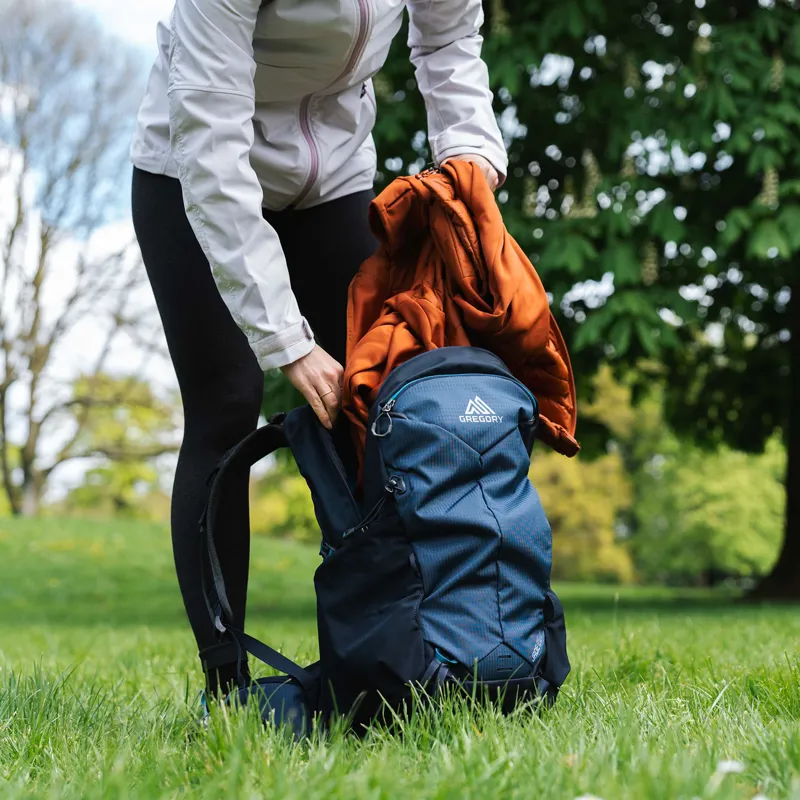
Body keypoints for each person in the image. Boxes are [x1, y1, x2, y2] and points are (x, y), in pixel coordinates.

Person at [130, 0, 508, 699]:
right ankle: (226, 687)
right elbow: (211, 140)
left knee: (378, 401)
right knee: (227, 402)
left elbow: (449, 38)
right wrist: (287, 340)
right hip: (195, 170)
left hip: (332, 174)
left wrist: (471, 161)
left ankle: (390, 664)